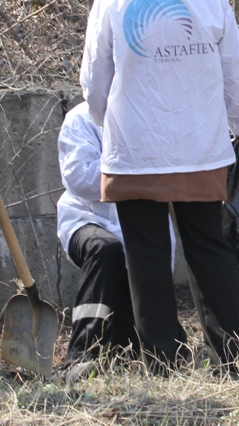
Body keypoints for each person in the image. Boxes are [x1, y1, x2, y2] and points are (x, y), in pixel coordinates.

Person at [80, 0, 239, 368]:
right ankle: (234, 354)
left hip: (135, 150)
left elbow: (93, 81)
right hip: (201, 146)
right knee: (209, 247)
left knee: (147, 254)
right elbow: (234, 74)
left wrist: (108, 122)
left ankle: (164, 358)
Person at [55, 101, 176, 364]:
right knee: (104, 249)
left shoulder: (150, 116)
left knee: (148, 259)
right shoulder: (81, 119)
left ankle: (135, 350)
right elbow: (80, 180)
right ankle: (81, 353)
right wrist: (131, 168)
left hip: (142, 220)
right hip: (85, 219)